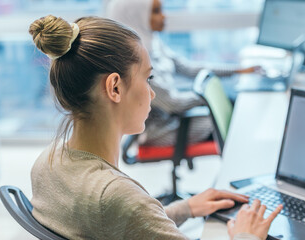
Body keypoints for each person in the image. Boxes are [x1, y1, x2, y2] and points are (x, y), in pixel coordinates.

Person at [29, 15, 282, 240]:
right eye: (147, 78)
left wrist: (186, 208)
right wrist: (246, 235)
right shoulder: (117, 196)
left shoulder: (47, 162)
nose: (151, 93)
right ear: (114, 88)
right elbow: (125, 212)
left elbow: (119, 224)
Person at [106, 0, 261, 146]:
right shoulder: (136, 62)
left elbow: (187, 68)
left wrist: (237, 70)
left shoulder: (153, 44)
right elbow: (173, 104)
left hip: (177, 118)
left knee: (233, 112)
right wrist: (214, 96)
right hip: (164, 129)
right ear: (136, 16)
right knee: (234, 123)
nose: (163, 16)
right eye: (156, 11)